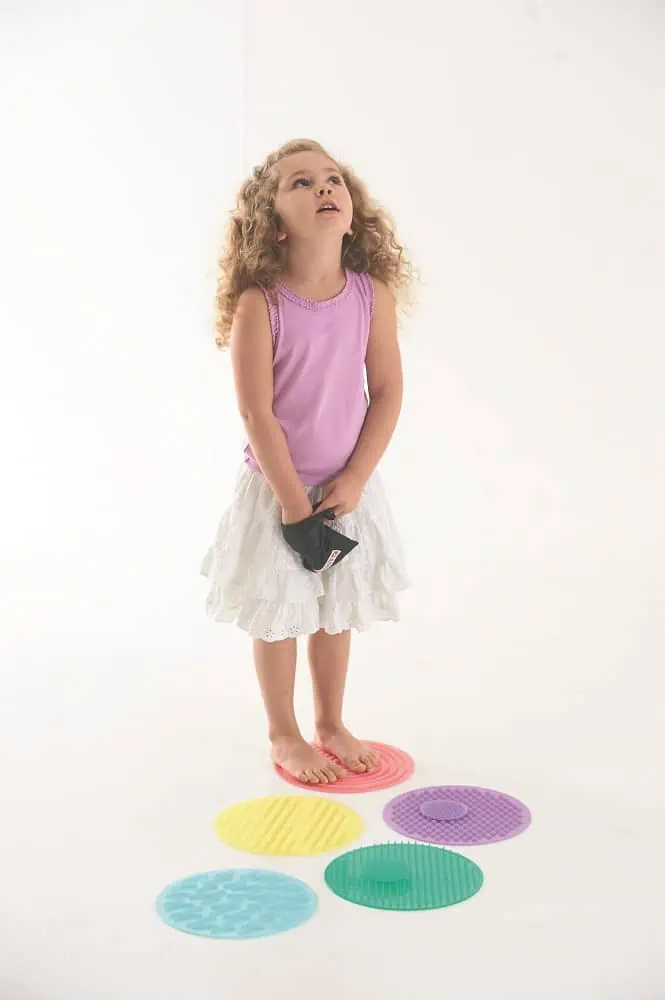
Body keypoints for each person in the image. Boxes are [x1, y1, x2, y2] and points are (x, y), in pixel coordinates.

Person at [200, 138, 418, 785]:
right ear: (272, 223)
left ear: (351, 212)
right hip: (278, 491)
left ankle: (329, 723)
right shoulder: (260, 304)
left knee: (333, 609)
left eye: (332, 179)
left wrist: (355, 478)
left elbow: (387, 391)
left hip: (345, 490)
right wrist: (294, 504)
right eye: (300, 183)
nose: (323, 187)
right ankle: (283, 733)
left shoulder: (370, 296)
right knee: (279, 616)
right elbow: (256, 414)